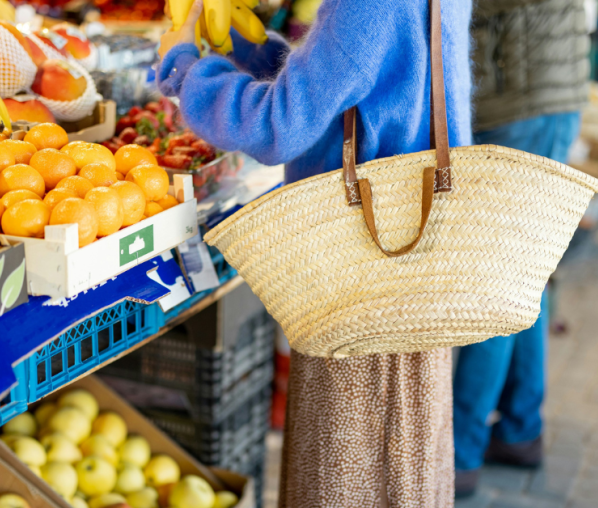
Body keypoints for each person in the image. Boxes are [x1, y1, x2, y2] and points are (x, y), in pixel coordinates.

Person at [157, 0, 472, 505]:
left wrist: (187, 72)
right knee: (397, 468)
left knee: (350, 475)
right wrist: (254, 53)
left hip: (362, 281)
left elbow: (279, 125)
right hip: (406, 267)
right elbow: (354, 92)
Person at [452, 0, 590, 498]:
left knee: (496, 284)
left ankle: (458, 455)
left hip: (521, 102)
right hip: (540, 94)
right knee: (524, 274)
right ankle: (519, 428)